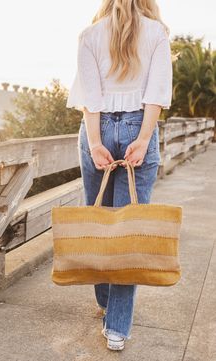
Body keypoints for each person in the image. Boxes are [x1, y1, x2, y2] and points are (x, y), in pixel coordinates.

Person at [66, 0, 173, 352]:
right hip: (136, 126)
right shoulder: (157, 33)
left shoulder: (90, 34)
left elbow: (89, 98)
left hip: (95, 130)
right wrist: (143, 139)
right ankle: (117, 328)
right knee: (131, 228)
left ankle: (105, 301)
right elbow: (156, 93)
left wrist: (96, 142)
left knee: (97, 221)